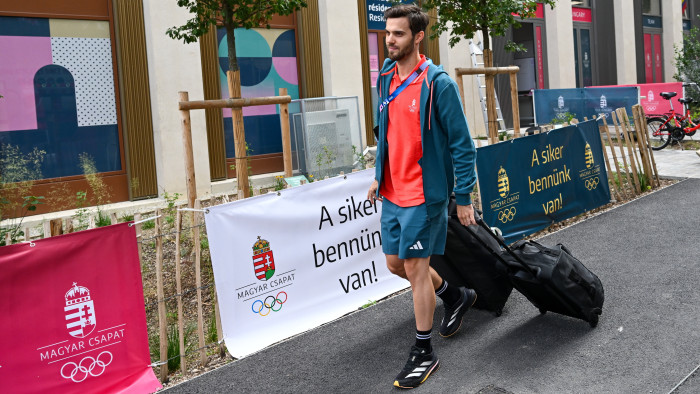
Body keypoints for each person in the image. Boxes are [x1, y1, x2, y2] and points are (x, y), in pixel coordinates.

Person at [366, 4, 478, 389]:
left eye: (398, 33)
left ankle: (424, 351)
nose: (389, 39)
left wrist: (463, 196)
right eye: (387, 32)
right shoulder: (385, 77)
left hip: (423, 195)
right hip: (393, 192)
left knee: (415, 269)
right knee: (396, 265)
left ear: (417, 37)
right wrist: (379, 176)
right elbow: (387, 132)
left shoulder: (438, 84)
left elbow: (463, 146)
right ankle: (455, 295)